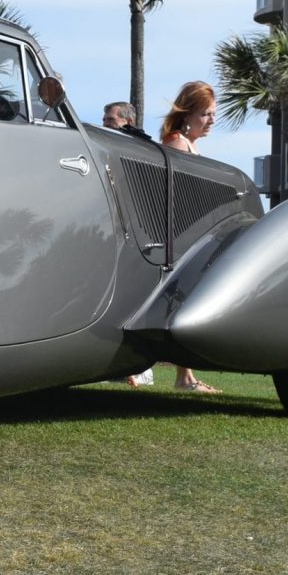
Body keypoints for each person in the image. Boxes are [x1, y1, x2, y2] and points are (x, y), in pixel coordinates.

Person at [159, 80, 221, 394]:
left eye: (212, 114)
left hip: (194, 234)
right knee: (181, 303)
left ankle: (187, 376)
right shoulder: (177, 143)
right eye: (205, 114)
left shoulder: (191, 145)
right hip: (180, 237)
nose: (210, 120)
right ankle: (184, 378)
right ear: (188, 112)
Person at [102, 100, 156, 387]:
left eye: (110, 119)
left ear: (126, 121)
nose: (104, 123)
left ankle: (137, 369)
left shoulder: (139, 148)